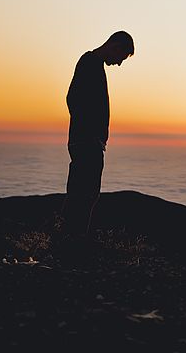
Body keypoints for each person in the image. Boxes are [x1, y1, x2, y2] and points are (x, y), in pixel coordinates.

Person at [61, 30, 134, 239]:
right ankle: (72, 241)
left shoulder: (93, 64)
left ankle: (70, 239)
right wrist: (90, 132)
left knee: (84, 193)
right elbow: (72, 98)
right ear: (114, 46)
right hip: (86, 142)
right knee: (83, 194)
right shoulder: (89, 62)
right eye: (121, 57)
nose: (119, 63)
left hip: (87, 141)